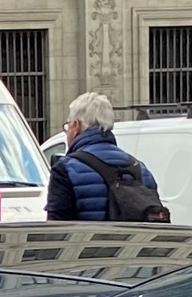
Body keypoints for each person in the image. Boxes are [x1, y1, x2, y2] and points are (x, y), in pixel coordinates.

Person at [45, 93, 162, 222]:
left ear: (76, 125)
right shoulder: (142, 170)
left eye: (68, 126)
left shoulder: (65, 170)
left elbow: (57, 230)